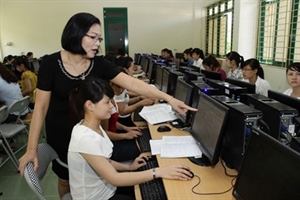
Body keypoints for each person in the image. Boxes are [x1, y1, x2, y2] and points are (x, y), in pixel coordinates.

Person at [18, 12, 196, 198]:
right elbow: (40, 108)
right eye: (93, 37)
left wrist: (169, 99)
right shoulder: (50, 64)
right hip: (63, 133)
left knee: (96, 173)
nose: (97, 43)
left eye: (99, 38)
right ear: (76, 34)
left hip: (91, 129)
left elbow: (134, 84)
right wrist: (31, 149)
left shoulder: (98, 64)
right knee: (66, 179)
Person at [68, 77, 193, 199]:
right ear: (90, 105)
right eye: (107, 102)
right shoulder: (85, 138)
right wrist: (158, 172)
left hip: (107, 189)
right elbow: (115, 178)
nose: (112, 106)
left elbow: (105, 161)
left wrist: (129, 168)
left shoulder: (94, 126)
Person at [101, 80, 141, 162]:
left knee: (140, 138)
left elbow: (112, 122)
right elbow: (105, 133)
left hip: (114, 139)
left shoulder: (112, 99)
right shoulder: (105, 107)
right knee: (143, 148)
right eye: (120, 87)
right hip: (110, 147)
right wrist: (126, 135)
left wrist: (126, 128)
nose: (122, 90)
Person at [116, 58, 155, 127]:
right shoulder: (118, 88)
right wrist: (140, 103)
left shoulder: (121, 85)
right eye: (132, 68)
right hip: (122, 120)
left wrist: (139, 98)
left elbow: (126, 101)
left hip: (125, 118)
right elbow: (122, 111)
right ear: (125, 70)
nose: (133, 71)